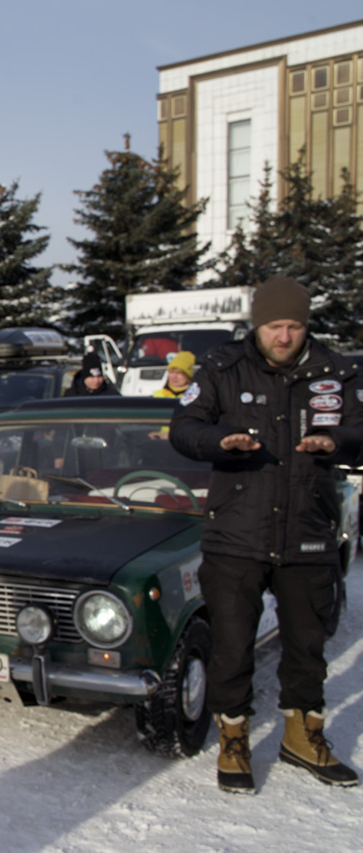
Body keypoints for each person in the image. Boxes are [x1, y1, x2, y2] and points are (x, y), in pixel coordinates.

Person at [170, 275, 361, 794]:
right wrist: (218, 440)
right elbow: (182, 428)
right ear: (258, 325)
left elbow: (362, 435)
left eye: (295, 325)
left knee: (308, 645)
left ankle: (303, 737)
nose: (285, 335)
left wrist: (338, 440)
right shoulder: (220, 368)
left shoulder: (337, 371)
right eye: (275, 325)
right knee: (232, 648)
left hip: (308, 532)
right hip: (236, 533)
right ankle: (234, 740)